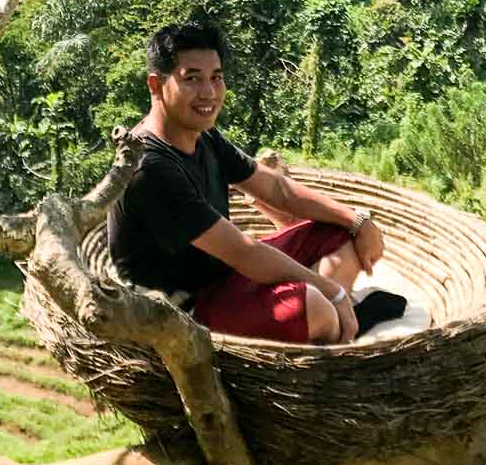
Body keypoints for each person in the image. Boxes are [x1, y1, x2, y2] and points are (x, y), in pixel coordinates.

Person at [109, 21, 387, 345]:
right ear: (156, 86)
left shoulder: (204, 136)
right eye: (192, 79)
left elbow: (278, 189)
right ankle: (332, 320)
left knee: (339, 232)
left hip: (226, 274)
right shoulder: (151, 167)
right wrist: (334, 292)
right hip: (185, 309)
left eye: (216, 77)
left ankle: (329, 325)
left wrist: (357, 220)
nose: (209, 93)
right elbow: (243, 251)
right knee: (317, 307)